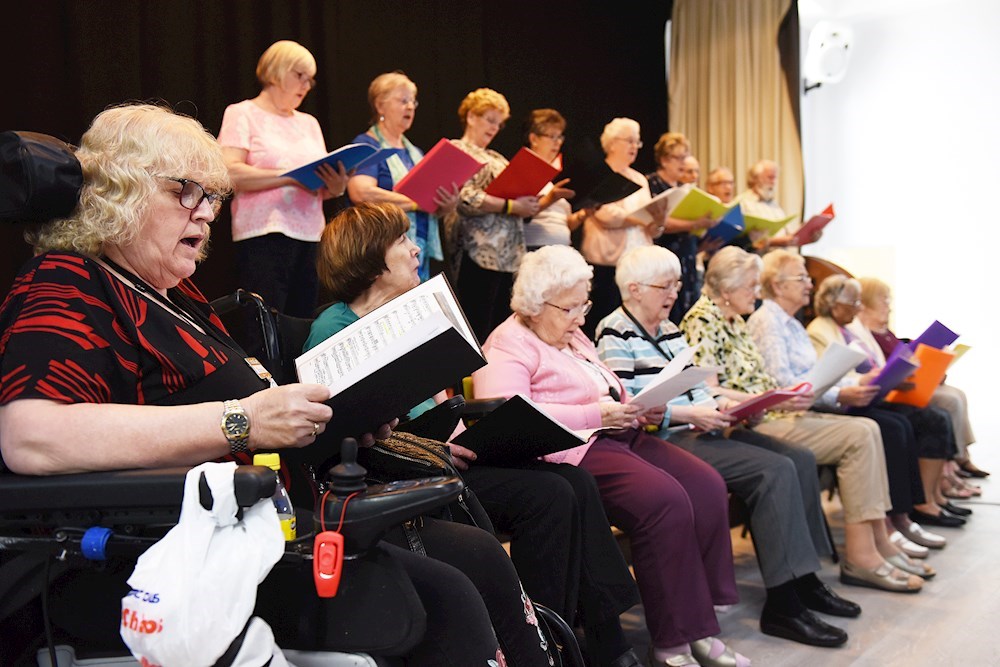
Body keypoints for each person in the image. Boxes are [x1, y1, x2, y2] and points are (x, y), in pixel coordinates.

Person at [0, 103, 523, 665]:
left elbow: (249, 416)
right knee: (446, 598)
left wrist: (342, 417)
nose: (206, 215)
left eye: (212, 198)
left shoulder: (179, 299)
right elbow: (31, 435)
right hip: (167, 560)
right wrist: (243, 420)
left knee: (480, 557)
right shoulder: (68, 281)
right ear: (119, 192)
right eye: (186, 192)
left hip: (268, 525)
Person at [307, 203, 643, 667]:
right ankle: (542, 645)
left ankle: (588, 638)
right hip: (403, 469)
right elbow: (344, 427)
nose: (417, 248)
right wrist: (436, 440)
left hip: (448, 451)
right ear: (369, 257)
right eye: (403, 241)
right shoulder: (336, 326)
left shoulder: (406, 318)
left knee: (575, 483)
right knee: (549, 497)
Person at [475, 245, 752, 667]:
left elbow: (604, 383)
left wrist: (639, 406)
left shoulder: (567, 331)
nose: (581, 317)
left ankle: (698, 626)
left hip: (618, 431)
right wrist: (596, 413)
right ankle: (674, 642)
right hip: (575, 446)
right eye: (571, 307)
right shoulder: (509, 343)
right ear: (535, 304)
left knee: (704, 484)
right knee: (664, 501)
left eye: (584, 304)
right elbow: (509, 415)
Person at [595, 245, 859, 648]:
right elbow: (630, 405)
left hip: (703, 427)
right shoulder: (614, 331)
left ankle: (805, 581)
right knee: (773, 471)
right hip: (666, 437)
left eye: (677, 284)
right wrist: (692, 416)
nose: (673, 293)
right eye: (664, 286)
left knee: (798, 458)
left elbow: (697, 386)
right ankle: (784, 604)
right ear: (634, 289)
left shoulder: (668, 329)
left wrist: (722, 407)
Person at [680, 247, 923, 594]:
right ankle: (862, 554)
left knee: (870, 428)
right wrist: (767, 399)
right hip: (755, 418)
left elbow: (763, 380)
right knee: (861, 434)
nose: (756, 292)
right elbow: (710, 391)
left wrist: (781, 395)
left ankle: (873, 544)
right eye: (750, 286)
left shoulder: (738, 319)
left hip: (771, 410)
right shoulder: (708, 319)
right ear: (726, 290)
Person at [748, 251, 948, 568]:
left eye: (807, 278)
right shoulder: (768, 323)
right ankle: (869, 546)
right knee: (871, 430)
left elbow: (816, 376)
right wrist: (843, 394)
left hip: (805, 408)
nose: (809, 285)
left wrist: (850, 385)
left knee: (880, 427)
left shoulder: (792, 325)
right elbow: (784, 384)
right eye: (801, 278)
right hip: (784, 414)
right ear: (777, 284)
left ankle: (882, 534)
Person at [806, 274, 966, 532]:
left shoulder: (846, 328)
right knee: (896, 427)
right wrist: (869, 379)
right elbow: (828, 374)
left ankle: (919, 503)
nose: (857, 308)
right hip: (842, 402)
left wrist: (890, 375)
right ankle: (898, 515)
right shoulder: (819, 330)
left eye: (859, 302)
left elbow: (872, 363)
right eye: (852, 302)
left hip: (866, 394)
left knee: (917, 419)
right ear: (834, 303)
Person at [218, 40, 349, 318]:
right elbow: (228, 172)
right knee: (265, 324)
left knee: (303, 322)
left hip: (310, 235)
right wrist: (288, 178)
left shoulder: (309, 123)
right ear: (277, 71)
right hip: (264, 236)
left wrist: (335, 187)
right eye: (300, 75)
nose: (306, 85)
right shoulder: (242, 113)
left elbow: (318, 185)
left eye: (310, 79)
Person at [445, 88, 569, 344]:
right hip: (479, 251)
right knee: (477, 326)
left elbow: (520, 205)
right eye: (490, 120)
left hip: (509, 256)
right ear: (471, 117)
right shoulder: (459, 150)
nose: (495, 128)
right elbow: (462, 197)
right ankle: (472, 383)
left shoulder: (496, 157)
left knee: (501, 329)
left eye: (499, 124)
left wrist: (542, 199)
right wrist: (510, 206)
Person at [853, 276, 988, 484]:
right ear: (868, 301)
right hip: (894, 389)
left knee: (956, 395)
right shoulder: (864, 334)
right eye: (884, 300)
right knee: (946, 404)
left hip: (907, 382)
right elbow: (882, 368)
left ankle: (958, 460)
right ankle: (948, 470)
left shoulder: (886, 333)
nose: (889, 307)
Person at [344, 71, 459, 281]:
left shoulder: (415, 153)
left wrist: (447, 203)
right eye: (403, 100)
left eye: (413, 102)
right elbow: (361, 192)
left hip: (417, 249)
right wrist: (417, 202)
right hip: (381, 249)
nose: (410, 107)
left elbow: (431, 205)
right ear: (380, 106)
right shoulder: (368, 145)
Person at [580, 119, 665, 336]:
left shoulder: (639, 179)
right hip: (607, 263)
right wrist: (639, 219)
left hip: (639, 263)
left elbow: (648, 220)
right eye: (629, 141)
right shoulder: (598, 173)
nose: (634, 146)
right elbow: (604, 214)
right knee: (603, 317)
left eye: (637, 142)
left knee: (634, 321)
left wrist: (656, 224)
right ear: (612, 143)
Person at [643, 132, 715, 324]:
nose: (684, 162)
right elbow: (658, 220)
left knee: (688, 311)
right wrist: (695, 224)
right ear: (665, 160)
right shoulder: (652, 184)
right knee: (670, 313)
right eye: (679, 157)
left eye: (686, 156)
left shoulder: (683, 188)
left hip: (687, 257)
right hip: (664, 257)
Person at [520, 108, 583, 251]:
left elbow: (565, 223)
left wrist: (583, 214)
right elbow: (519, 214)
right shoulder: (523, 171)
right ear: (534, 139)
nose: (557, 143)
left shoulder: (550, 180)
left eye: (560, 137)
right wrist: (551, 198)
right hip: (535, 249)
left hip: (561, 249)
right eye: (552, 136)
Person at [737, 160, 812, 251]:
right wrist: (774, 241)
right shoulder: (743, 203)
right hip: (758, 260)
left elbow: (789, 236)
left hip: (782, 257)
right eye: (770, 177)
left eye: (775, 178)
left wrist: (807, 233)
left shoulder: (774, 205)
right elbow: (740, 240)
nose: (773, 182)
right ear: (755, 178)